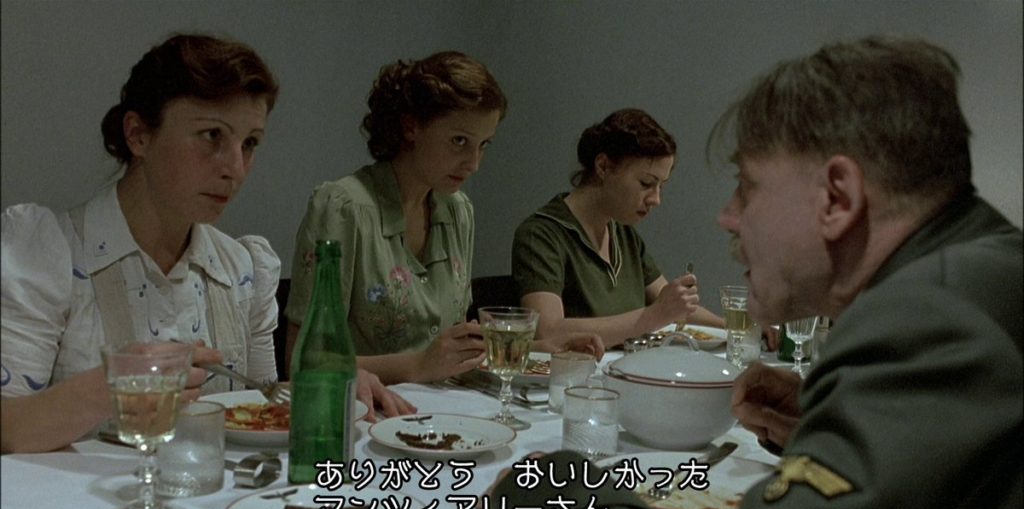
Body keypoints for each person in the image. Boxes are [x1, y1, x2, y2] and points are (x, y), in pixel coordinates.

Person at [491, 37, 1022, 509]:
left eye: (747, 186)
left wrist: (546, 493)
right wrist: (827, 421)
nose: (728, 216)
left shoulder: (931, 322)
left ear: (838, 197)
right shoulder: (975, 279)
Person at [0, 33, 404, 454]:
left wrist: (324, 386)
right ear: (138, 135)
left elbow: (264, 400)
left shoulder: (241, 267)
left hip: (206, 491)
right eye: (212, 135)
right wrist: (112, 387)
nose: (236, 169)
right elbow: (6, 429)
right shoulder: (47, 253)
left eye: (249, 143)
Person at [285, 51, 599, 384]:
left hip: (449, 406)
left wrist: (537, 349)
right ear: (411, 127)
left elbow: (453, 351)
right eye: (459, 141)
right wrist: (418, 365)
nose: (473, 163)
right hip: (367, 407)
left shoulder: (458, 210)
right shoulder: (343, 207)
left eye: (484, 145)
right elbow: (303, 361)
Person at [511, 109, 725, 349]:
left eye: (661, 186)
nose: (656, 199)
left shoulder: (624, 234)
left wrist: (734, 327)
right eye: (646, 183)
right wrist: (653, 315)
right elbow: (547, 331)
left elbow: (672, 307)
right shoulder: (542, 235)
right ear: (603, 166)